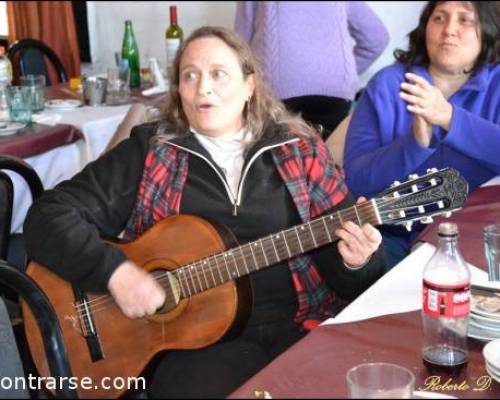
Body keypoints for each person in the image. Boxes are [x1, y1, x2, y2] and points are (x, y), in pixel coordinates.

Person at [24, 27, 385, 398]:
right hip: (191, 348)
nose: (202, 88)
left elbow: (352, 280)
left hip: (296, 327)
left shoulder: (300, 151)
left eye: (218, 73)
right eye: (189, 75)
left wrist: (357, 263)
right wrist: (114, 273)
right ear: (178, 91)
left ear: (250, 86)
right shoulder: (151, 152)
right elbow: (48, 216)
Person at [343, 1, 500, 270]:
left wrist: (450, 118)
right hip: (391, 240)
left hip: (483, 241)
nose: (449, 29)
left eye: (465, 20)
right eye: (439, 18)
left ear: (486, 31)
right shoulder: (387, 84)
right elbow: (355, 181)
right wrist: (414, 145)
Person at [234, 1, 389, 141]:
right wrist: (342, 73)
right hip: (334, 90)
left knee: (278, 165)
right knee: (327, 163)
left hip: (275, 90)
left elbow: (239, 47)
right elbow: (377, 38)